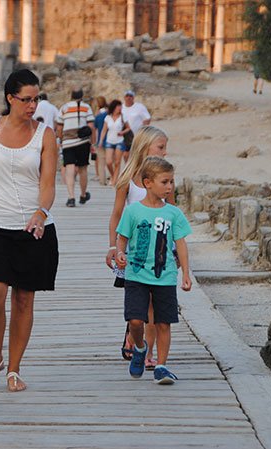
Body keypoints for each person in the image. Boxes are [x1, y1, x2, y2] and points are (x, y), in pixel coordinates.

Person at [0, 69, 59, 393]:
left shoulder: (45, 135)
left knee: (23, 300)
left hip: (32, 227)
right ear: (10, 98)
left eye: (36, 99)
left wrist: (41, 212)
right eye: (26, 99)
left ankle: (14, 368)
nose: (33, 106)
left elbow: (48, 185)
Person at [115, 156, 191, 384]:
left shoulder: (173, 213)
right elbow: (122, 238)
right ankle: (140, 348)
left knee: (163, 323)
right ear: (148, 183)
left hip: (165, 276)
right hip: (136, 275)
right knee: (135, 321)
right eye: (164, 182)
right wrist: (119, 253)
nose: (169, 187)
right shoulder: (133, 211)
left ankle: (161, 366)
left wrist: (185, 273)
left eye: (171, 182)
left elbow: (181, 244)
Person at [106, 125, 170, 368]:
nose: (165, 152)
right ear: (145, 148)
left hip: (159, 252)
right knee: (139, 303)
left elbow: (172, 212)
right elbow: (117, 215)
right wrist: (113, 247)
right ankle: (133, 334)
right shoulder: (128, 179)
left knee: (153, 303)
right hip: (135, 253)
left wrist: (176, 249)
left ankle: (148, 353)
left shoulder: (165, 180)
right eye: (160, 147)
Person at [56, 88, 96, 207]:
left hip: (68, 143)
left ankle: (71, 197)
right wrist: (93, 143)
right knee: (83, 169)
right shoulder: (86, 107)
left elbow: (59, 127)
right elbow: (91, 127)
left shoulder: (64, 108)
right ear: (82, 96)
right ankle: (83, 195)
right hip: (83, 143)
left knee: (70, 168)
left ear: (71, 96)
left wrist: (61, 139)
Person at [98, 99, 132, 187]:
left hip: (119, 141)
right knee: (108, 162)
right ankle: (113, 176)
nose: (120, 108)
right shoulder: (108, 117)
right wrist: (101, 141)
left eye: (120, 106)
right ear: (114, 107)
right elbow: (104, 130)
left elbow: (128, 128)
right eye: (118, 106)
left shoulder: (123, 117)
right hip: (109, 141)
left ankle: (114, 180)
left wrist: (122, 132)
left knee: (117, 162)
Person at [121, 90, 151, 162]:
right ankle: (128, 167)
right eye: (127, 96)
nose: (128, 98)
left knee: (137, 154)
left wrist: (143, 131)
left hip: (137, 135)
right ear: (124, 97)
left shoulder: (139, 107)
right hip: (125, 136)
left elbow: (147, 118)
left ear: (133, 97)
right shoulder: (121, 108)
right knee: (126, 154)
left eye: (130, 96)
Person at [93, 96, 107, 186]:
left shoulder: (98, 115)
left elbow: (95, 129)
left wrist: (94, 142)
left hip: (100, 140)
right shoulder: (108, 114)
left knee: (101, 161)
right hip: (110, 140)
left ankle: (102, 179)